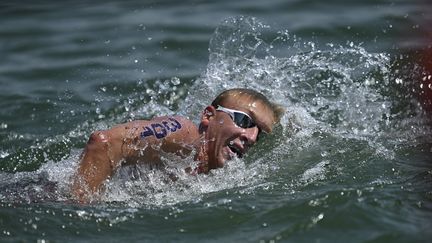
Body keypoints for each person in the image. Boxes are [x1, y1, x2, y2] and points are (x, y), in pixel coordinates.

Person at [72, 88, 284, 202]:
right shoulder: (184, 136)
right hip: (49, 200)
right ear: (208, 116)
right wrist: (81, 214)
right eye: (245, 121)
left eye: (260, 133)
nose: (252, 137)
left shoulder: (214, 173)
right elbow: (104, 143)